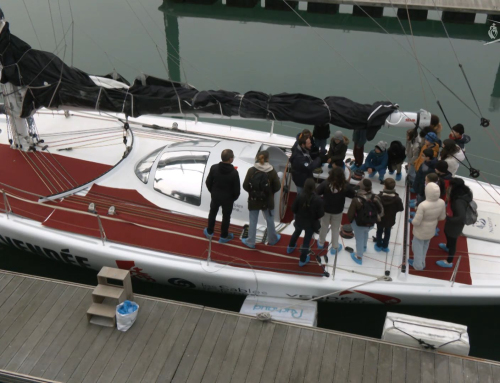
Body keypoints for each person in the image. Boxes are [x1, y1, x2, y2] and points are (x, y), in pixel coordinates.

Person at [241, 150, 282, 249]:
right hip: (267, 200)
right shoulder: (272, 171)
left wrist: (253, 192)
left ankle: (251, 241)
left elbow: (245, 186)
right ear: (268, 159)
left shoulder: (251, 170)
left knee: (253, 220)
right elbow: (277, 187)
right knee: (270, 219)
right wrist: (268, 192)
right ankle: (272, 239)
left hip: (254, 199)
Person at [316, 167, 355, 262]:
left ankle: (321, 243)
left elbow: (317, 192)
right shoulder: (345, 185)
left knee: (324, 226)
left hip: (325, 210)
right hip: (338, 211)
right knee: (335, 228)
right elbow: (353, 194)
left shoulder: (325, 183)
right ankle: (334, 247)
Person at [204, 149, 241, 243]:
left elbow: (208, 182)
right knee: (226, 217)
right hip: (228, 199)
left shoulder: (214, 168)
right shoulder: (234, 173)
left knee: (212, 213)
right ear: (230, 159)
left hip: (215, 196)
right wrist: (233, 198)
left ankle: (209, 232)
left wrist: (212, 192)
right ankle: (223, 236)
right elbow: (237, 190)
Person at [287, 178, 325, 267]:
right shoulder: (318, 200)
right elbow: (321, 214)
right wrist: (315, 217)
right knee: (306, 241)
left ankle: (290, 247)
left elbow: (293, 209)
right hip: (310, 224)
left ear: (305, 186)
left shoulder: (299, 195)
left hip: (299, 221)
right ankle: (302, 260)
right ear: (314, 187)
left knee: (296, 232)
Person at [436, 178, 473, 268]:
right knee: (446, 232)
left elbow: (461, 217)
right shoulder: (464, 192)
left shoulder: (458, 201)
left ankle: (449, 262)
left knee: (453, 241)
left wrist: (448, 219)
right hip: (453, 220)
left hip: (456, 223)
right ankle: (447, 247)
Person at [409, 183, 446, 271]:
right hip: (431, 229)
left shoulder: (423, 205)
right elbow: (442, 217)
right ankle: (422, 262)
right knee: (425, 247)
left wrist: (412, 221)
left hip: (420, 230)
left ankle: (418, 266)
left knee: (417, 248)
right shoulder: (441, 202)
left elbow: (416, 222)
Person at [347, 179, 384, 265]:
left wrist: (351, 222)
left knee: (359, 239)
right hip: (371, 223)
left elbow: (350, 214)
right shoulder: (375, 197)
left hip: (359, 224)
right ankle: (364, 247)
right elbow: (381, 210)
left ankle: (359, 257)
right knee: (365, 233)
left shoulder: (357, 199)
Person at [375, 178, 404, 252]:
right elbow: (401, 208)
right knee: (387, 232)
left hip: (380, 219)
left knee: (379, 231)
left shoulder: (379, 196)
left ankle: (378, 245)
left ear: (384, 186)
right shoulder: (397, 199)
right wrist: (393, 211)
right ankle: (385, 246)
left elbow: (375, 207)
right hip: (390, 219)